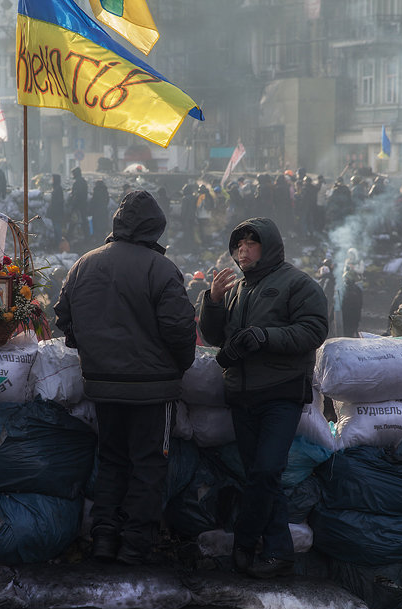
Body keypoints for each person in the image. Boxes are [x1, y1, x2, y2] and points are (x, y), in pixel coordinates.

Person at [54, 190, 196, 565]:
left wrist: (90, 351)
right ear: (155, 229)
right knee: (149, 465)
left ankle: (103, 538)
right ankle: (135, 546)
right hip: (152, 389)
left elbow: (64, 317)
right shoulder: (161, 269)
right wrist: (177, 368)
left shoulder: (83, 264)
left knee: (112, 460)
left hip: (101, 384)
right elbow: (181, 329)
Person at [199, 217, 328, 578]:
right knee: (259, 476)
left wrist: (265, 336)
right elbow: (212, 337)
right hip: (241, 395)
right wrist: (212, 301)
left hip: (280, 393)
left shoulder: (297, 284)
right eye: (238, 245)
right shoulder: (237, 289)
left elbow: (314, 329)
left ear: (268, 246)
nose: (243, 250)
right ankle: (278, 551)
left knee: (267, 470)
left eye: (251, 243)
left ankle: (244, 542)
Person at [67, 166, 89, 242]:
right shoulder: (83, 181)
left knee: (74, 221)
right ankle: (87, 237)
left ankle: (69, 237)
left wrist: (72, 205)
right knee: (84, 221)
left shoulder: (77, 183)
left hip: (78, 205)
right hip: (82, 204)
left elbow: (76, 195)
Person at [340, 270, 363, 338]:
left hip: (346, 316)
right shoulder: (358, 289)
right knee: (351, 333)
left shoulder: (343, 289)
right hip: (354, 316)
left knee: (346, 334)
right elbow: (360, 305)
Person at [47, 174, 65, 248]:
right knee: (56, 227)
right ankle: (58, 243)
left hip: (57, 212)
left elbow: (57, 202)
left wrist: (52, 210)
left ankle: (59, 244)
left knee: (57, 228)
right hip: (56, 212)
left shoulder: (58, 189)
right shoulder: (57, 188)